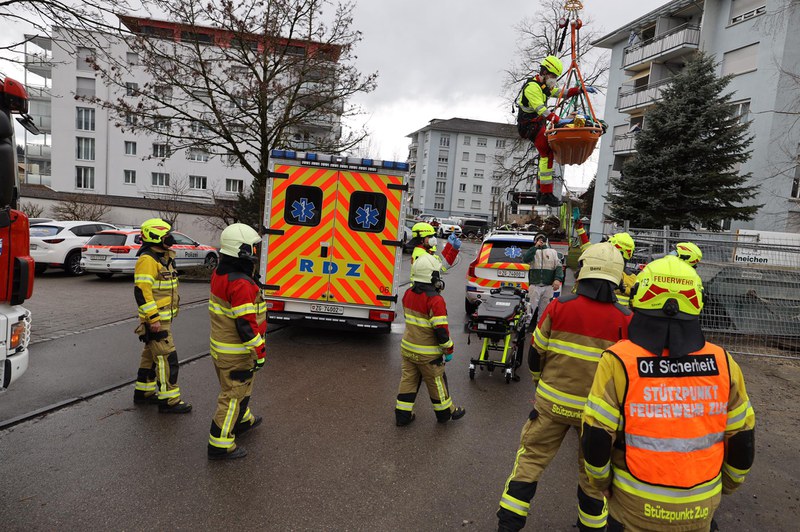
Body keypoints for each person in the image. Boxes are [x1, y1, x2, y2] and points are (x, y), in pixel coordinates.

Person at [581, 255, 755, 531]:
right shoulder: (723, 362)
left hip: (633, 507)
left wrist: (601, 482)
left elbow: (596, 436)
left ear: (640, 297)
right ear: (697, 301)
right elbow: (743, 438)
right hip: (700, 507)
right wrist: (727, 486)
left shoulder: (618, 360)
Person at [497, 243, 632, 531]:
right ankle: (592, 527)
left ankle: (508, 524)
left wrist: (540, 385)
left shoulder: (560, 307)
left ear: (583, 270)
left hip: (552, 405)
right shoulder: (626, 319)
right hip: (597, 416)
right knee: (593, 477)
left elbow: (536, 353)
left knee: (531, 460)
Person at [207, 223, 267, 460]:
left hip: (224, 349)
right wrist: (259, 351)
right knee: (232, 395)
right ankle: (220, 444)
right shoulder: (241, 283)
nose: (255, 253)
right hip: (237, 352)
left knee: (242, 387)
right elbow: (245, 325)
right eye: (253, 248)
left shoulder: (221, 273)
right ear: (241, 250)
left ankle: (241, 420)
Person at [516, 55, 597, 207]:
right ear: (545, 72)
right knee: (546, 153)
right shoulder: (532, 87)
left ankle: (542, 192)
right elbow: (542, 110)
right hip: (529, 126)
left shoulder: (542, 85)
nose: (554, 79)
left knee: (546, 154)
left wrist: (579, 90)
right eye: (553, 76)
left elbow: (560, 93)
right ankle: (546, 194)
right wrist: (559, 120)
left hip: (536, 123)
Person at [395, 252, 465, 426]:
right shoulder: (435, 300)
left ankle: (402, 416)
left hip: (408, 349)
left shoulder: (408, 293)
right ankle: (445, 414)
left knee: (408, 381)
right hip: (428, 355)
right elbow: (441, 330)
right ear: (432, 276)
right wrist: (448, 348)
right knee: (437, 382)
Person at [132, 218, 191, 413]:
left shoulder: (163, 257)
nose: (170, 238)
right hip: (156, 319)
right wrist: (153, 318)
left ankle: (144, 392)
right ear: (156, 236)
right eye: (166, 235)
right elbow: (142, 292)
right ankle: (169, 401)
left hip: (162, 318)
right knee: (167, 358)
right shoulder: (148, 260)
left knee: (150, 355)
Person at [522, 232, 564, 325]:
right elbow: (526, 259)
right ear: (535, 241)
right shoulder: (532, 252)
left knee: (544, 311)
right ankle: (525, 327)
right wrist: (535, 247)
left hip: (548, 287)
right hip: (534, 286)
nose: (541, 241)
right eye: (539, 239)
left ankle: (540, 328)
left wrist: (557, 279)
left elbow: (558, 266)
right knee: (529, 310)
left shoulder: (552, 252)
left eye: (543, 239)